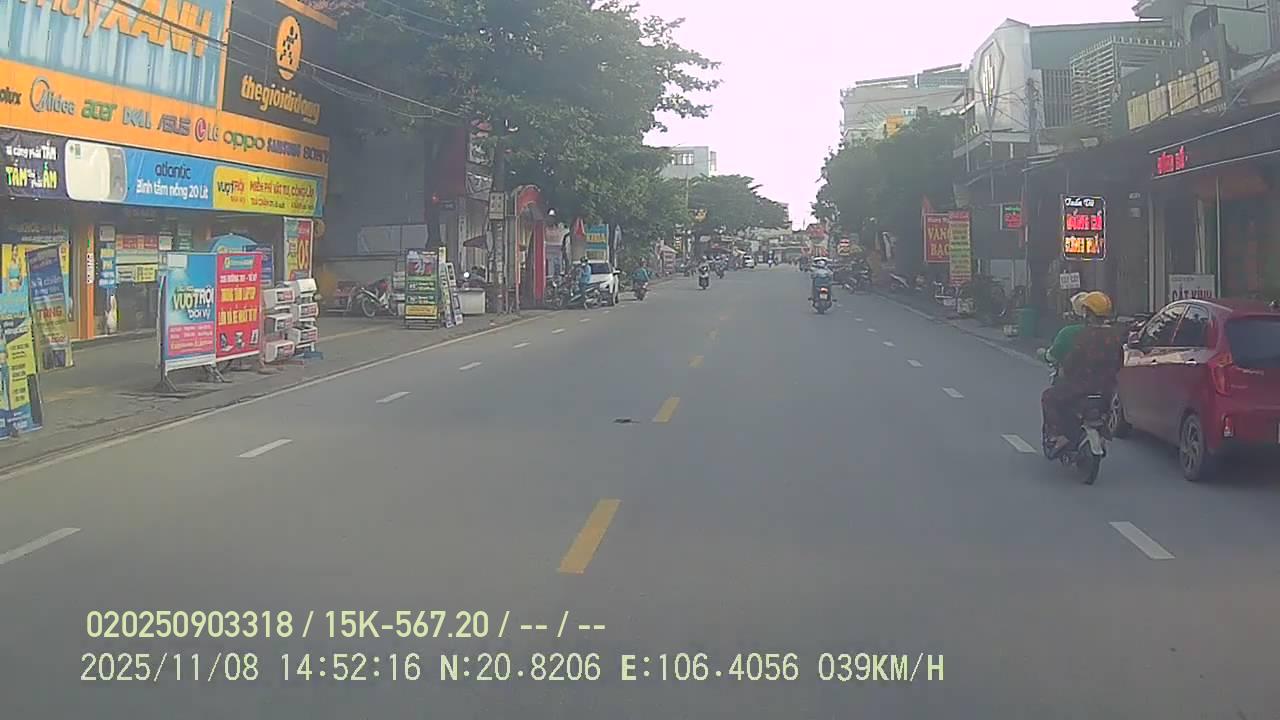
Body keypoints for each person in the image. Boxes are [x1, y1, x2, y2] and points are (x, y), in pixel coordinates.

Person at [1041, 291, 1124, 454]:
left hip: (1080, 387)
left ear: (1088, 312)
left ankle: (1059, 436)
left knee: (1048, 397)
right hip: (1106, 390)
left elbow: (1072, 361)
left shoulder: (1084, 336)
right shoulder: (1115, 336)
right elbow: (1119, 362)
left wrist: (1065, 370)